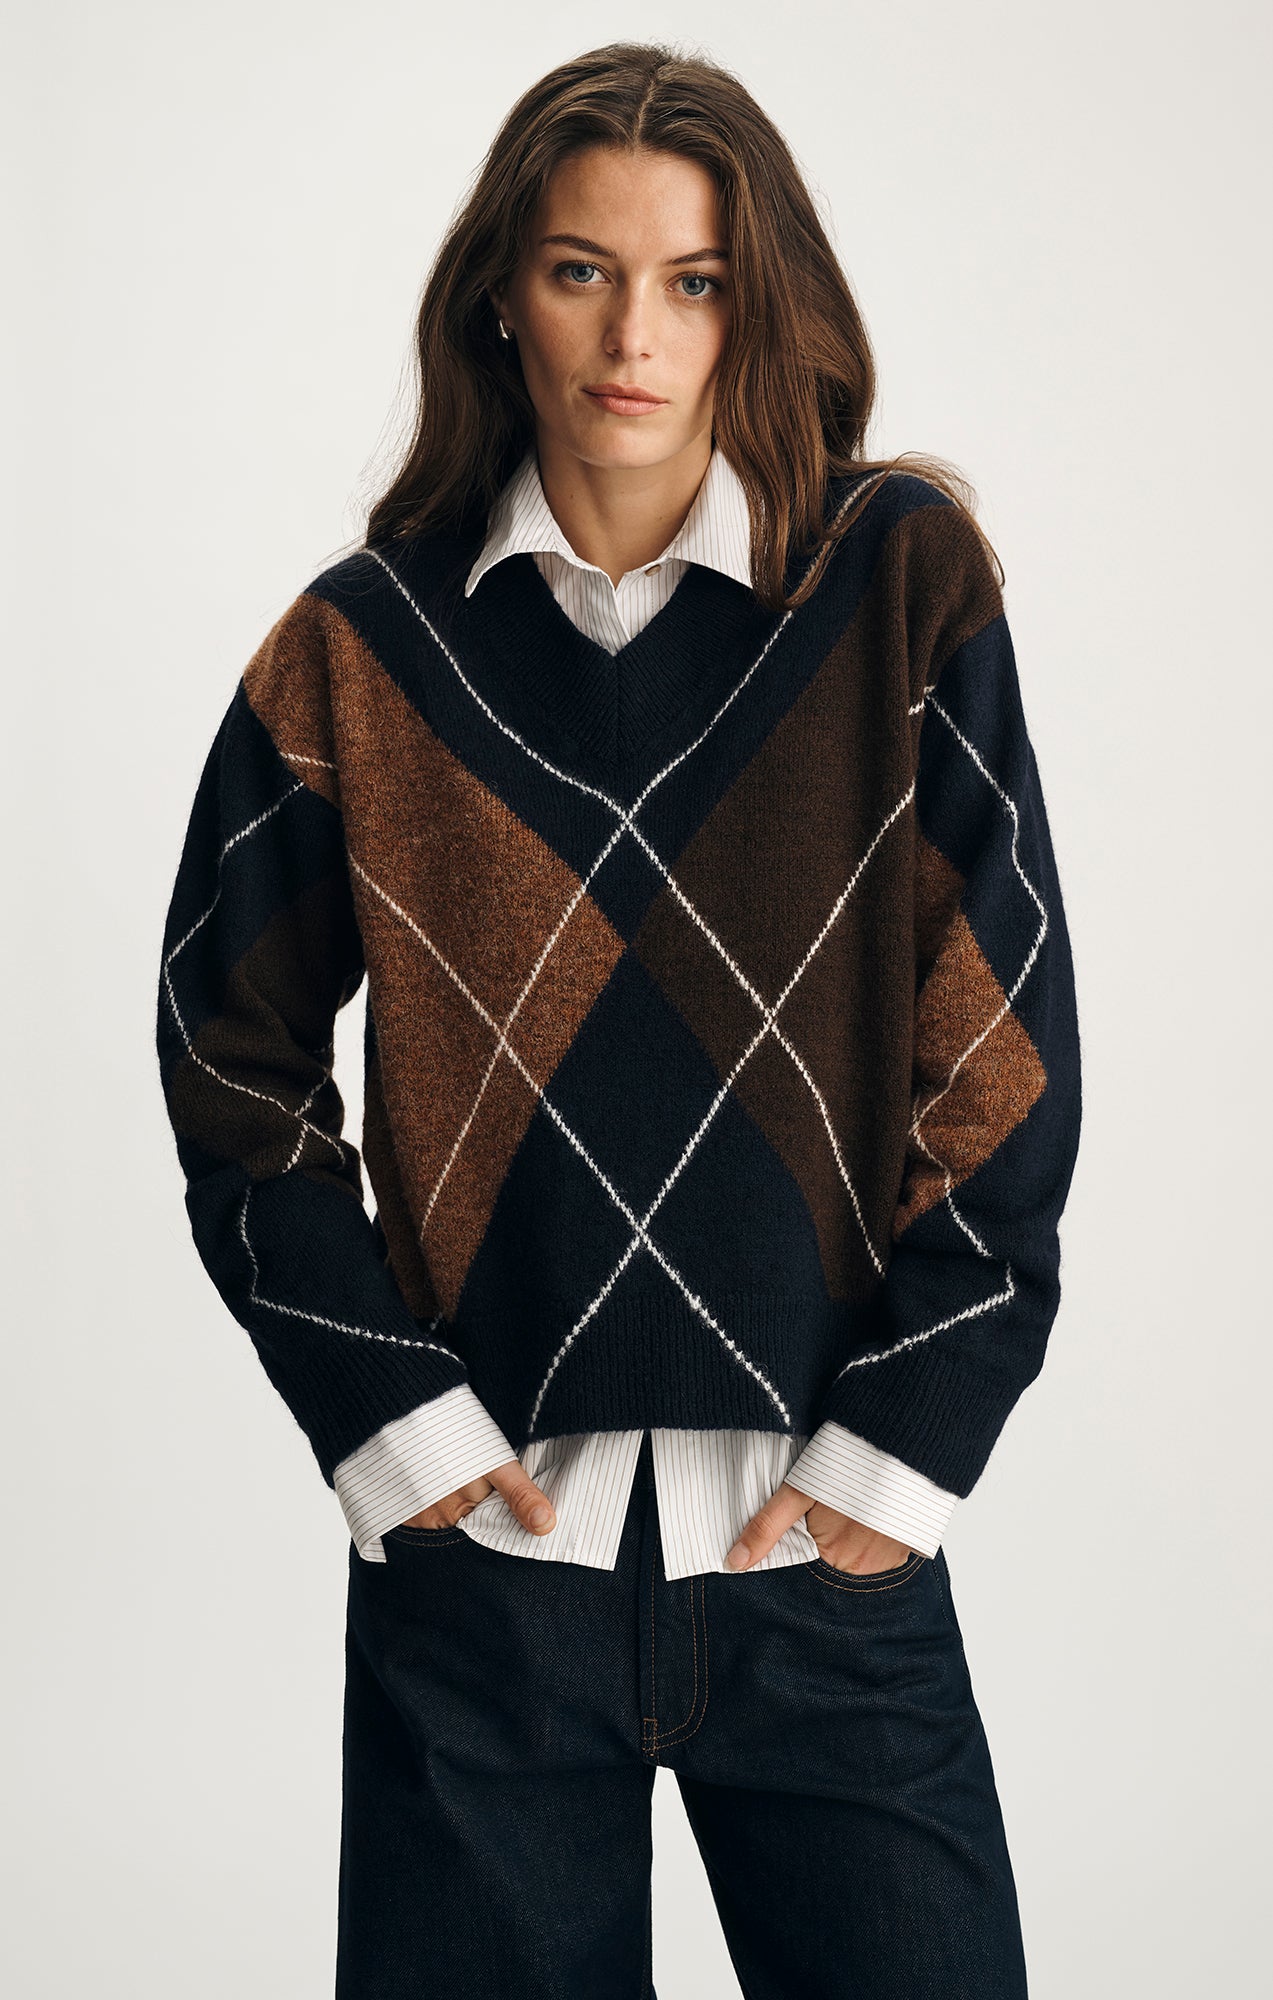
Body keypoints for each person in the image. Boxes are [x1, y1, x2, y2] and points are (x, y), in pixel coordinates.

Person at [155, 40, 1082, 2000]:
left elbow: (1000, 1040)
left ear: (759, 304)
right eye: (582, 270)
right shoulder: (364, 646)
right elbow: (226, 1051)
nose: (632, 336)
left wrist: (904, 1447)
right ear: (504, 292)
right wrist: (388, 1422)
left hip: (816, 1553)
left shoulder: (896, 588)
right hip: (489, 1574)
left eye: (693, 281)